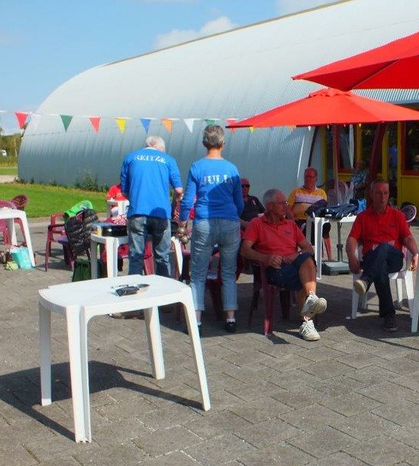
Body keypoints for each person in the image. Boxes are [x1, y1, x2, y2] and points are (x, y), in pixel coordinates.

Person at [177, 125, 244, 333]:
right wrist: (234, 215)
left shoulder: (197, 167)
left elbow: (187, 200)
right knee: (228, 271)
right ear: (223, 143)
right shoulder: (232, 169)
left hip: (204, 222)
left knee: (198, 273)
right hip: (229, 222)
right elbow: (239, 202)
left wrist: (182, 222)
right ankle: (230, 318)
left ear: (204, 143)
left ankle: (197, 320)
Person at [240, 188, 328, 341]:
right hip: (274, 268)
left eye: (285, 203)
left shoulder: (290, 224)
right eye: (281, 203)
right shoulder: (257, 224)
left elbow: (308, 248)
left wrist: (293, 256)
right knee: (305, 276)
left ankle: (310, 302)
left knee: (306, 257)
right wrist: (266, 258)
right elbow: (245, 250)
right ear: (270, 206)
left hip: (293, 263)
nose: (286, 206)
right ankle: (307, 319)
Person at [346, 178, 419, 332]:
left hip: (394, 258)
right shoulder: (363, 217)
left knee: (384, 247)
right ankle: (389, 316)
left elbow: (408, 237)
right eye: (379, 193)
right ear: (371, 194)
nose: (383, 197)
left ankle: (366, 280)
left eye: (385, 193)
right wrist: (351, 256)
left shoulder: (397, 215)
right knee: (380, 269)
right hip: (372, 259)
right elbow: (352, 239)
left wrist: (415, 253)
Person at [120, 135, 183, 277]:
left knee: (136, 256)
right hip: (161, 213)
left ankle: (135, 286)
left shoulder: (130, 158)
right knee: (162, 257)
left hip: (137, 212)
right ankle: (163, 287)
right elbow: (179, 190)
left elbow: (124, 191)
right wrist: (173, 205)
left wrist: (136, 200)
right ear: (161, 148)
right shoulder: (168, 160)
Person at [287, 167, 330, 250]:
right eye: (306, 176)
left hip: (314, 220)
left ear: (316, 179)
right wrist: (292, 218)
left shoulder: (321, 193)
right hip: (299, 220)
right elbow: (288, 207)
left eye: (311, 177)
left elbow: (323, 208)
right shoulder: (296, 191)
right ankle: (305, 250)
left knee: (325, 226)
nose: (308, 179)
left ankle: (318, 253)